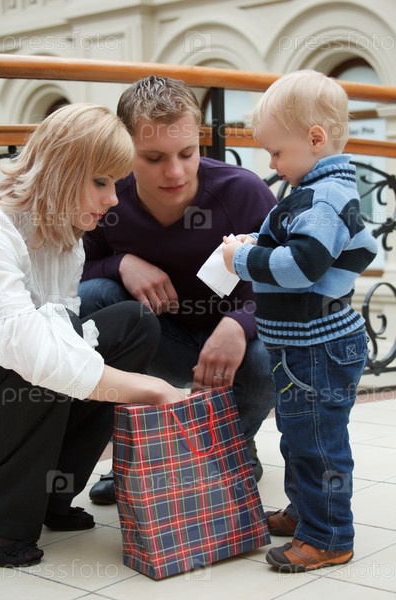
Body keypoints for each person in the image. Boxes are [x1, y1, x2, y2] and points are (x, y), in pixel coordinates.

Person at [0, 103, 184, 569]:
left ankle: (52, 494)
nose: (114, 199)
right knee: (42, 357)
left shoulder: (66, 236)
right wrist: (147, 388)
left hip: (18, 376)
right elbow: (25, 343)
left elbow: (65, 332)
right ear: (61, 171)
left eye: (115, 183)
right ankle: (4, 524)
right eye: (101, 182)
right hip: (9, 372)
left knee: (133, 325)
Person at [78, 75, 277, 504]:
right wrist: (120, 263)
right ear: (126, 147)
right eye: (153, 158)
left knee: (270, 354)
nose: (175, 172)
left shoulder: (244, 192)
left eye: (187, 153)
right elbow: (74, 276)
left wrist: (240, 323)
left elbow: (291, 280)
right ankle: (135, 453)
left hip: (238, 350)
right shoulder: (109, 197)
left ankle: (231, 448)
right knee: (95, 296)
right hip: (159, 341)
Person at [223, 70, 378, 572]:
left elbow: (301, 266)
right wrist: (264, 243)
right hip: (305, 345)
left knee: (317, 444)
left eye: (276, 152)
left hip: (317, 348)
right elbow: (362, 246)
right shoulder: (321, 191)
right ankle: (306, 513)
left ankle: (328, 537)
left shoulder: (322, 196)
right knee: (299, 435)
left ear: (315, 139)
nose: (271, 164)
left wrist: (243, 260)